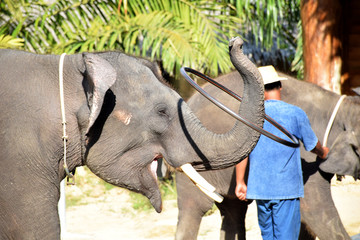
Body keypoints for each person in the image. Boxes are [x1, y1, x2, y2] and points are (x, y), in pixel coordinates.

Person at [235, 65, 329, 240]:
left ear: (259, 91)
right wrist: (323, 152)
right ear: (280, 86)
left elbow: (242, 151)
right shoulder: (294, 114)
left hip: (260, 191)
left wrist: (240, 181)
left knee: (268, 237)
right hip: (285, 189)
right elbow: (312, 145)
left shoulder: (250, 116)